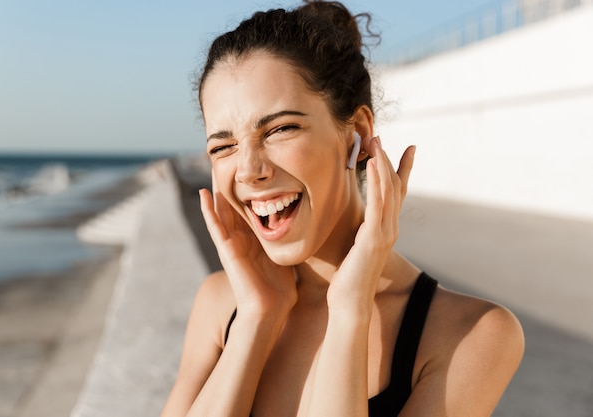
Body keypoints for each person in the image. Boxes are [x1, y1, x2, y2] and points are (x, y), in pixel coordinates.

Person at [161, 1, 524, 416]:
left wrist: (350, 309)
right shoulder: (220, 304)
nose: (248, 170)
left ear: (358, 133)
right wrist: (256, 318)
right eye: (223, 146)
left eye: (281, 128)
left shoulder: (470, 334)